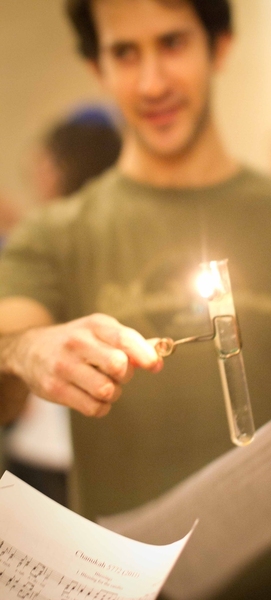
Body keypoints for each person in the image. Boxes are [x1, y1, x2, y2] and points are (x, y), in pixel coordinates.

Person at [0, 1, 271, 598]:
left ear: (219, 45)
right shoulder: (54, 236)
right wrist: (27, 350)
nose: (153, 81)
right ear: (97, 67)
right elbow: (9, 349)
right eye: (125, 53)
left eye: (172, 43)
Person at [2, 106, 122, 506]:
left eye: (43, 164)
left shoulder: (52, 235)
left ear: (59, 167)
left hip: (51, 448)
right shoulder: (48, 236)